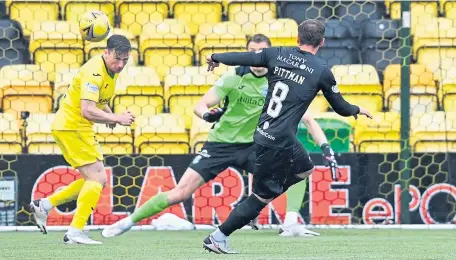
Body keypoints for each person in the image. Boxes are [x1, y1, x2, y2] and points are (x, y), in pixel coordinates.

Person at [202, 19, 372, 254]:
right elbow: (341, 107)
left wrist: (216, 57)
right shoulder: (322, 70)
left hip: (271, 134)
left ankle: (259, 201)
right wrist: (357, 110)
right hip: (277, 142)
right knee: (261, 197)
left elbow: (244, 57)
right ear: (322, 42)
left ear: (297, 39)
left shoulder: (277, 54)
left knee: (305, 169)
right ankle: (218, 237)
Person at [29, 35, 135, 245]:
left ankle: (45, 205)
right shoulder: (93, 72)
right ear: (106, 52)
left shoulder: (109, 69)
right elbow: (87, 110)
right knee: (98, 179)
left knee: (95, 179)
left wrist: (109, 114)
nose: (120, 64)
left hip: (74, 127)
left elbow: (97, 101)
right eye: (117, 59)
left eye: (125, 60)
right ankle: (74, 231)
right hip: (73, 126)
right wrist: (116, 118)